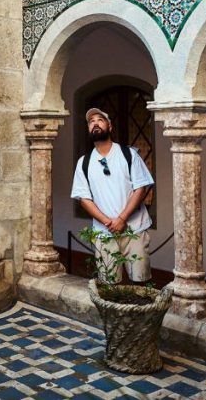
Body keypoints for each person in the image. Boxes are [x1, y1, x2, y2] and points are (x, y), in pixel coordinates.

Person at [70, 107, 155, 284]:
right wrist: (108, 222)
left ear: (110, 126)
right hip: (104, 232)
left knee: (141, 282)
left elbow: (140, 188)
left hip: (134, 229)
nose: (95, 124)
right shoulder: (84, 163)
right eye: (91, 121)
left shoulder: (128, 155)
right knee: (109, 284)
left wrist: (122, 218)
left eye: (100, 120)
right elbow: (84, 199)